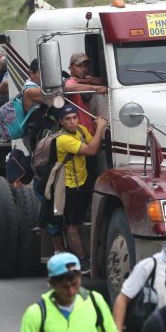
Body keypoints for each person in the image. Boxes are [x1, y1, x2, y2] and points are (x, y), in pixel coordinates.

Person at [18, 252, 127, 332]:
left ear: (80, 276)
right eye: (64, 286)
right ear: (51, 283)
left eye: (74, 284)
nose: (70, 290)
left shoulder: (95, 302)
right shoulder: (36, 314)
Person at [51, 104, 107, 265]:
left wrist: (96, 130)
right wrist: (100, 128)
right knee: (72, 224)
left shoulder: (81, 130)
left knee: (81, 220)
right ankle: (82, 261)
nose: (72, 122)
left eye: (75, 117)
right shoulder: (62, 139)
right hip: (69, 187)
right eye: (68, 119)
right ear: (61, 122)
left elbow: (94, 143)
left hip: (82, 181)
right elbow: (91, 150)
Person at [65, 53, 107, 135]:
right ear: (71, 68)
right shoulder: (70, 81)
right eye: (79, 66)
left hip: (89, 129)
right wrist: (95, 88)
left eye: (85, 66)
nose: (84, 69)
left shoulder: (86, 79)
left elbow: (104, 80)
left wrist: (91, 81)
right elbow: (69, 87)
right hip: (78, 132)